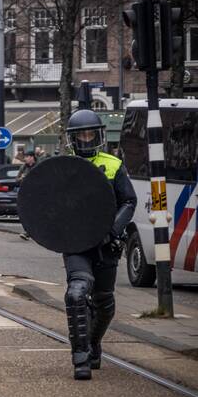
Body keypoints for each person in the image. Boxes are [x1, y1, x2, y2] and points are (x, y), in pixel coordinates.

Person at [61, 110, 136, 380]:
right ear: (73, 138)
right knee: (76, 294)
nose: (85, 138)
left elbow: (129, 201)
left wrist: (113, 230)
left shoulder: (113, 165)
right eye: (80, 134)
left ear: (98, 135)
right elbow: (49, 203)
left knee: (104, 302)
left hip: (106, 245)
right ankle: (80, 358)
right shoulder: (63, 167)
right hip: (76, 244)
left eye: (89, 133)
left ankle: (93, 343)